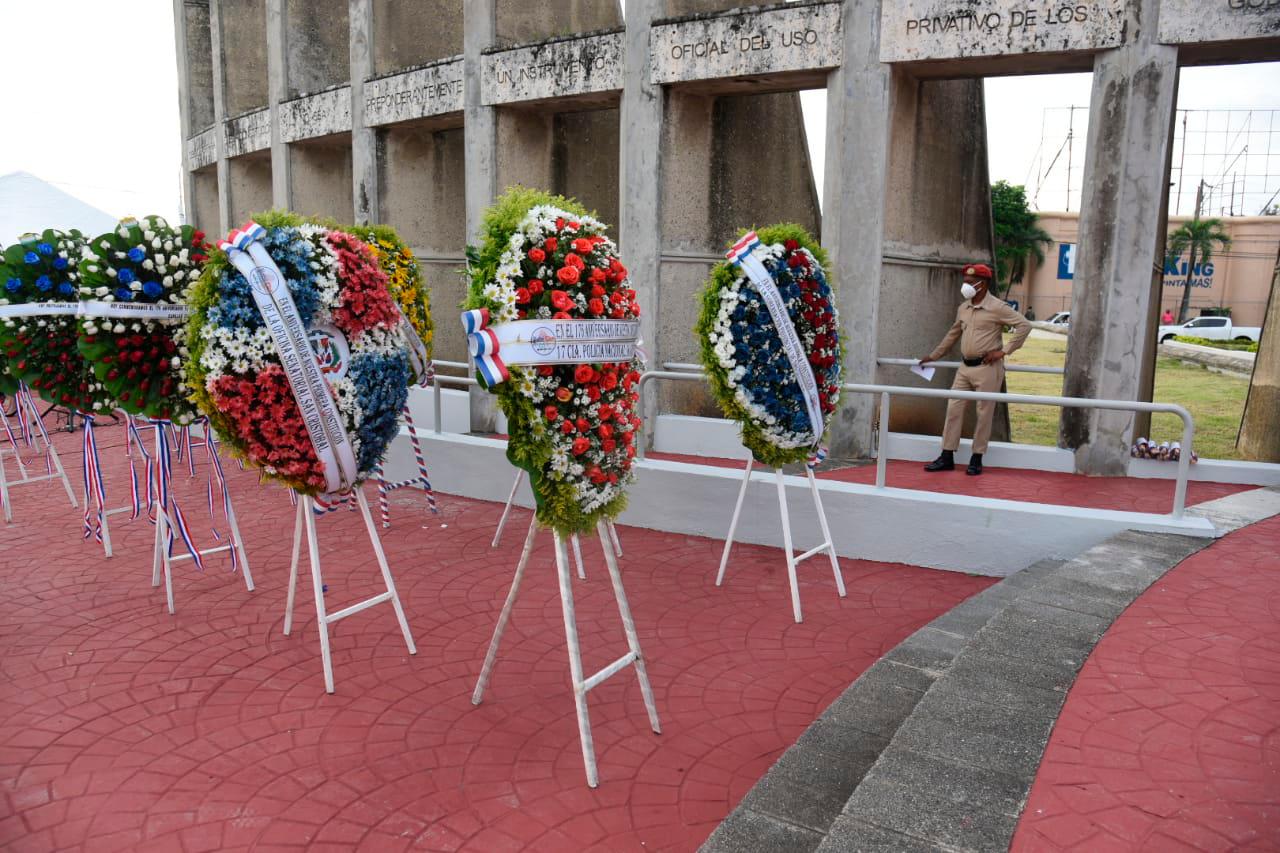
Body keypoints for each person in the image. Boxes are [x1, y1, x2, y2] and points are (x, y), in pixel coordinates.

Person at [918, 263, 1031, 476]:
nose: (966, 286)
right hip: (964, 367)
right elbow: (952, 335)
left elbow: (1025, 326)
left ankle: (976, 458)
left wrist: (1004, 351)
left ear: (983, 283)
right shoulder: (964, 307)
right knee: (953, 409)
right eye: (965, 282)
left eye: (970, 282)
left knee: (984, 414)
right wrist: (933, 356)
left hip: (987, 368)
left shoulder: (997, 307)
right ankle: (947, 456)